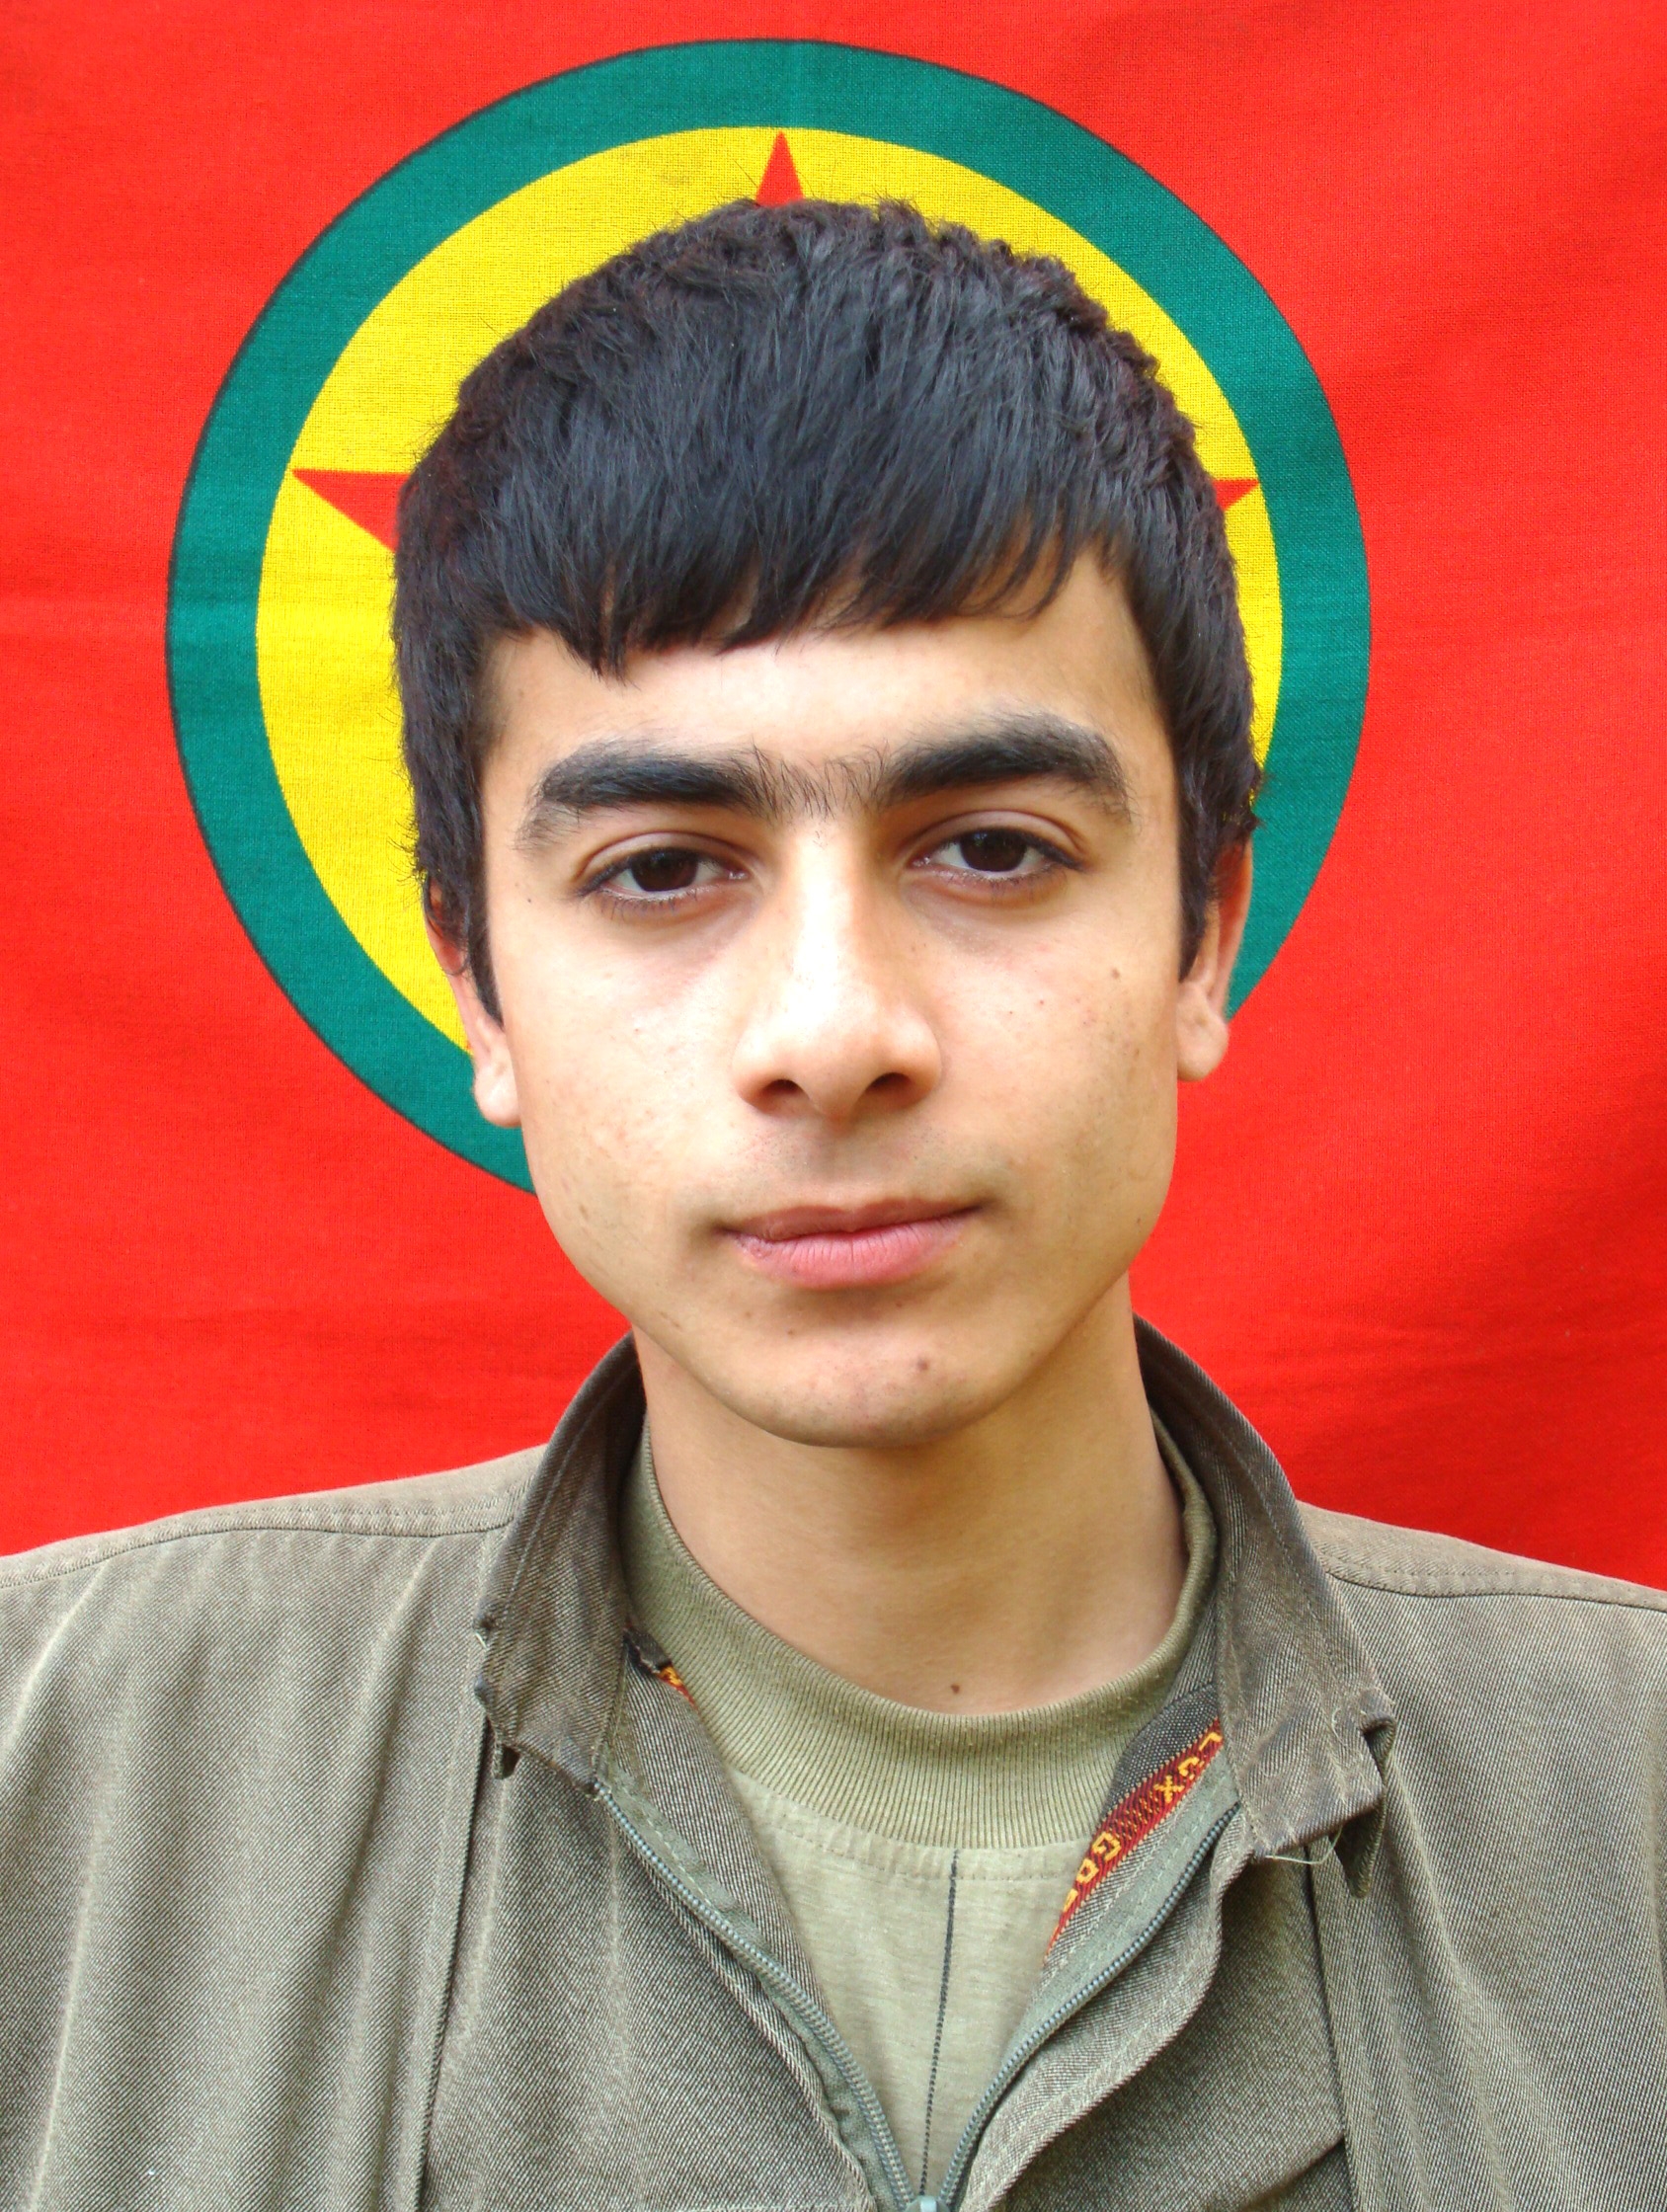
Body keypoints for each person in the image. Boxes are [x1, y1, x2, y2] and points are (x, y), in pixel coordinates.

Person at [3, 199, 1664, 2212]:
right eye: (659, 869)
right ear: (477, 986)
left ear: (1204, 926)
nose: (832, 1031)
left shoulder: (1631, 1816)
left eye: (989, 848)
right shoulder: (56, 1781)